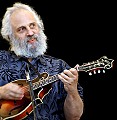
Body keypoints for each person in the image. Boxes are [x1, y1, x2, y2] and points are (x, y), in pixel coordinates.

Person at [0, 2, 83, 120]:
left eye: (32, 25)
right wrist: (1, 91)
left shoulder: (59, 66)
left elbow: (74, 117)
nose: (30, 33)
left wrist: (72, 91)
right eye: (21, 29)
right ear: (10, 36)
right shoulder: (1, 59)